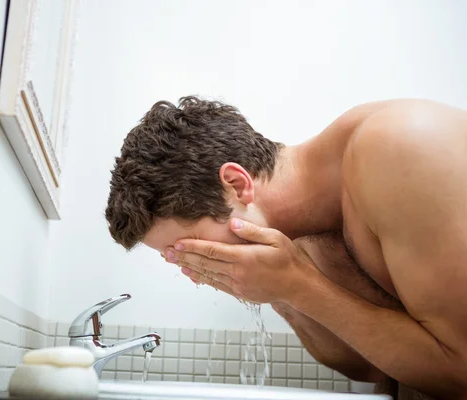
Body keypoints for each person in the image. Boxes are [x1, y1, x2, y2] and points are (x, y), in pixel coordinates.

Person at [104, 96, 467, 400]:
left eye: (191, 246)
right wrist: (281, 293)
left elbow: (460, 370)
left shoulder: (400, 146)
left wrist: (299, 286)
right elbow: (371, 367)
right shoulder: (296, 245)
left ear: (236, 184)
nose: (196, 268)